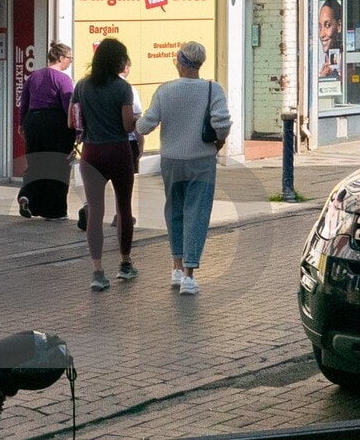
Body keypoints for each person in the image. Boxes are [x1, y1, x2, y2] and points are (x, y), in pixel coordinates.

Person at [135, 41, 230, 296]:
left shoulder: (165, 91)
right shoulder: (213, 89)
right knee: (197, 213)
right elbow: (222, 123)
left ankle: (176, 267)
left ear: (180, 61)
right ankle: (189, 275)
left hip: (171, 162)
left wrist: (135, 121)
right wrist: (218, 141)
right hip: (202, 161)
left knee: (174, 211)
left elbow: (145, 126)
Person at [72, 37, 138, 292]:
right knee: (124, 208)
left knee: (95, 214)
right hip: (118, 152)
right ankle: (124, 263)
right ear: (117, 60)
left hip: (91, 154)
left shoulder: (82, 85)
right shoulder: (123, 88)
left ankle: (97, 272)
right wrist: (135, 121)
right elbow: (126, 125)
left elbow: (72, 121)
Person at [17, 42, 76, 220]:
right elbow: (69, 107)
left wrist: (22, 124)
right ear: (61, 58)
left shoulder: (33, 76)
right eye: (69, 58)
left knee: (36, 163)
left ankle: (28, 195)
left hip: (33, 122)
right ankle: (55, 211)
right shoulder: (63, 79)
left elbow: (24, 102)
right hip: (56, 124)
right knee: (57, 166)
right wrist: (76, 129)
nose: (70, 62)